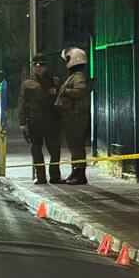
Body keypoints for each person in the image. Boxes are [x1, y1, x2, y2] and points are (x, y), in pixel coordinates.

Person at [18, 53, 62, 184]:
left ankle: (55, 176)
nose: (38, 68)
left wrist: (57, 90)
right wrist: (22, 123)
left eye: (41, 65)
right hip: (34, 120)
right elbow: (22, 103)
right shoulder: (28, 84)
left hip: (51, 120)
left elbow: (61, 99)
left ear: (46, 67)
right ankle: (41, 176)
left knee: (55, 150)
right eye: (36, 65)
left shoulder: (54, 81)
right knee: (36, 150)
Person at [55, 46, 91, 185]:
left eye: (67, 59)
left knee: (77, 146)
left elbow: (80, 92)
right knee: (73, 146)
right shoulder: (74, 76)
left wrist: (64, 91)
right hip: (71, 116)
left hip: (76, 116)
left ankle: (80, 174)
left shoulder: (78, 77)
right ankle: (75, 172)